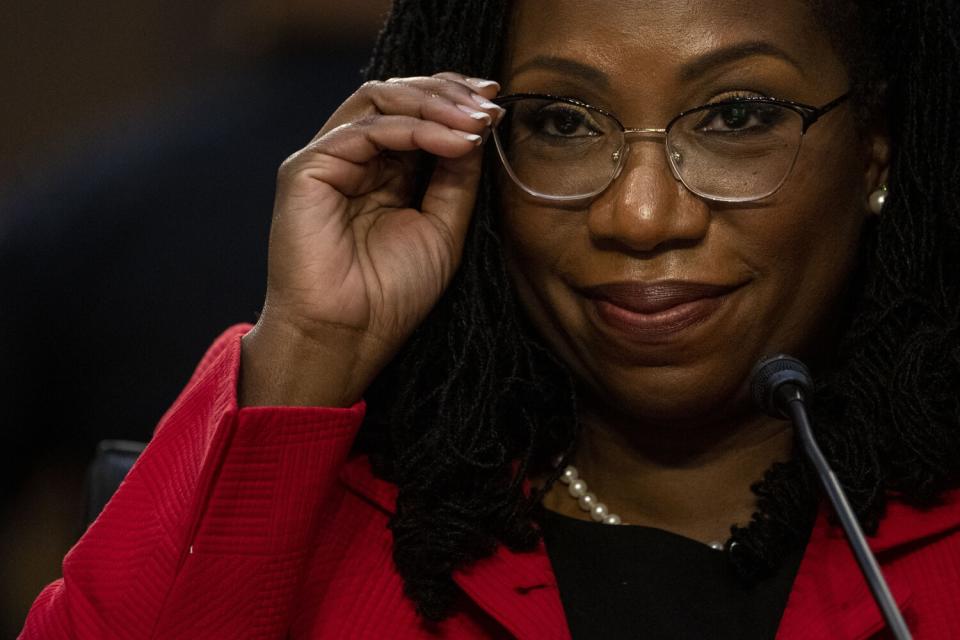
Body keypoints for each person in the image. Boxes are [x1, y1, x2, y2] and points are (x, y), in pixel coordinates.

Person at [20, 0, 960, 638]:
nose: (640, 216)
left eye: (736, 116)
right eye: (560, 123)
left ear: (874, 150)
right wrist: (308, 354)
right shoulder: (347, 525)